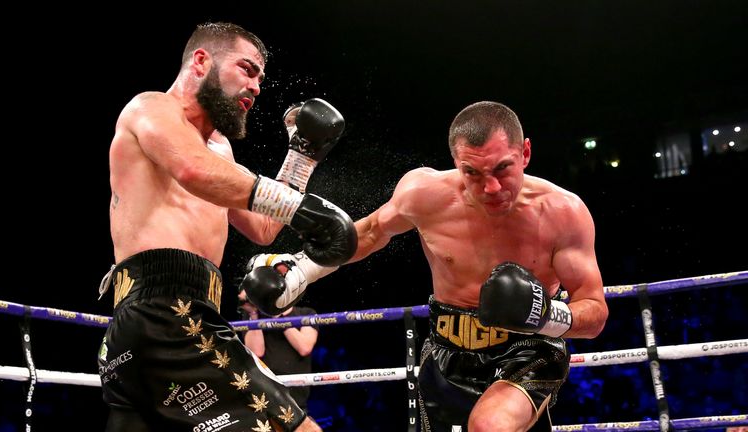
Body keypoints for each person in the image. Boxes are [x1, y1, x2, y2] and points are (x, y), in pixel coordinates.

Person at [240, 101, 609, 431]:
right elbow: (367, 233)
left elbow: (595, 312)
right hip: (445, 348)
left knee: (489, 425)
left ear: (525, 152)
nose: (492, 187)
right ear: (456, 163)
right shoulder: (425, 194)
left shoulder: (562, 213)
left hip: (528, 349)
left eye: (502, 169)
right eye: (473, 173)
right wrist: (303, 270)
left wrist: (543, 315)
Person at [98, 21, 357, 432]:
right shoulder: (150, 109)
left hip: (174, 318)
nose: (256, 87)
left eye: (261, 78)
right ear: (201, 61)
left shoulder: (219, 147)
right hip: (166, 314)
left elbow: (264, 227)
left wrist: (301, 157)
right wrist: (303, 210)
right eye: (247, 69)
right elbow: (191, 170)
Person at [240, 293, 318, 411]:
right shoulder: (253, 316)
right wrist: (253, 314)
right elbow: (256, 352)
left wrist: (278, 316)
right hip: (266, 395)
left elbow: (304, 347)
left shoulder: (306, 313)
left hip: (297, 398)